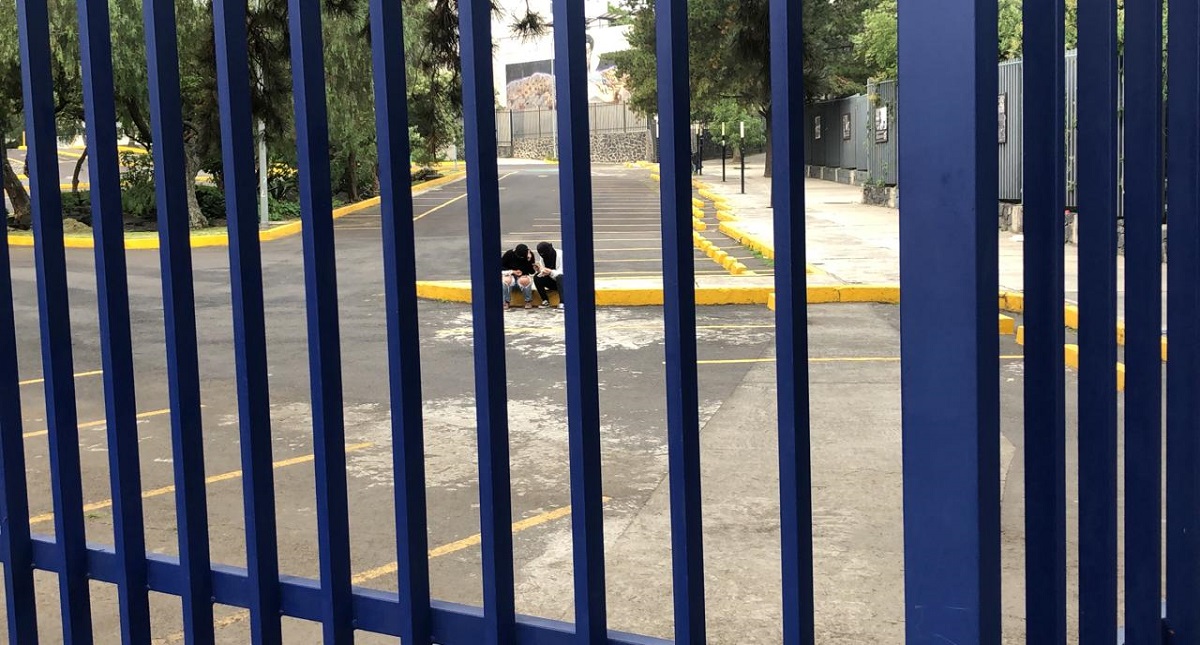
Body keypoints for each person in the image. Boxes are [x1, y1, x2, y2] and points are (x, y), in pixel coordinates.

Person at [502, 243, 540, 310]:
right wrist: (512, 272)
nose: (521, 258)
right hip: (510, 275)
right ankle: (506, 302)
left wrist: (529, 260)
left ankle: (528, 301)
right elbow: (501, 267)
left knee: (524, 280)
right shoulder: (509, 254)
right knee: (506, 280)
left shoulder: (529, 256)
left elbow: (532, 272)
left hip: (523, 276)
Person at [535, 242, 564, 310]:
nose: (543, 256)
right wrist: (540, 270)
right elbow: (544, 270)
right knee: (537, 277)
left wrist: (550, 272)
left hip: (563, 282)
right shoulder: (543, 257)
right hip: (552, 281)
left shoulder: (560, 254)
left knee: (560, 277)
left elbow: (563, 272)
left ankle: (563, 302)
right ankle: (545, 300)